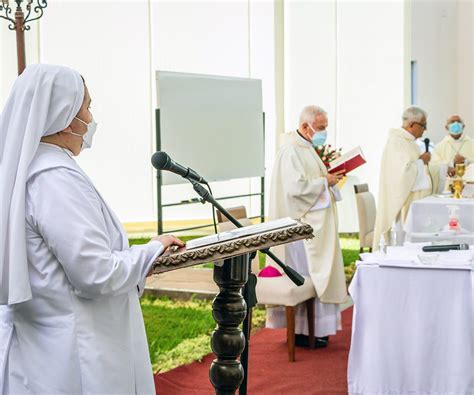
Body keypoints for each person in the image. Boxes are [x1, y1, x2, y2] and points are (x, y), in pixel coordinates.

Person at [0, 64, 184, 394]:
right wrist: (151, 249)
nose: (90, 116)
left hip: (50, 347)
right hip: (75, 354)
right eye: (86, 105)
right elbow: (96, 273)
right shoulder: (53, 178)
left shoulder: (36, 169)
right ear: (65, 113)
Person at [267, 105, 348, 347]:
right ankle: (303, 332)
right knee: (307, 273)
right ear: (305, 126)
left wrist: (328, 181)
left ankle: (314, 330)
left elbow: (311, 183)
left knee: (315, 273)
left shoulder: (306, 148)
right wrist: (325, 182)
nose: (323, 133)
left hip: (311, 224)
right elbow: (295, 190)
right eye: (320, 128)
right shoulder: (291, 151)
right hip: (299, 229)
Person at [372, 106, 447, 250]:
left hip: (415, 201)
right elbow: (401, 174)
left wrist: (443, 168)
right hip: (403, 203)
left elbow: (420, 170)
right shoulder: (396, 142)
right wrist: (421, 161)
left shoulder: (409, 142)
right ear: (412, 124)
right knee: (402, 243)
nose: (425, 129)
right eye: (423, 125)